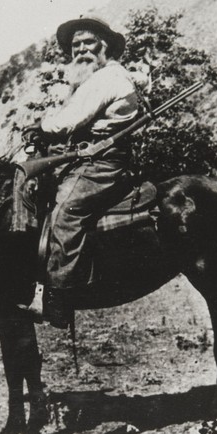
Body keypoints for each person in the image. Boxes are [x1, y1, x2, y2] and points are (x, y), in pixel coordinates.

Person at [22, 16, 150, 327]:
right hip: (88, 157)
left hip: (103, 161)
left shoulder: (106, 79)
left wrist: (40, 128)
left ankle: (58, 300)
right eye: (75, 45)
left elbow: (69, 121)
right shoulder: (94, 79)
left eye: (88, 43)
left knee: (65, 210)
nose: (81, 50)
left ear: (104, 46)